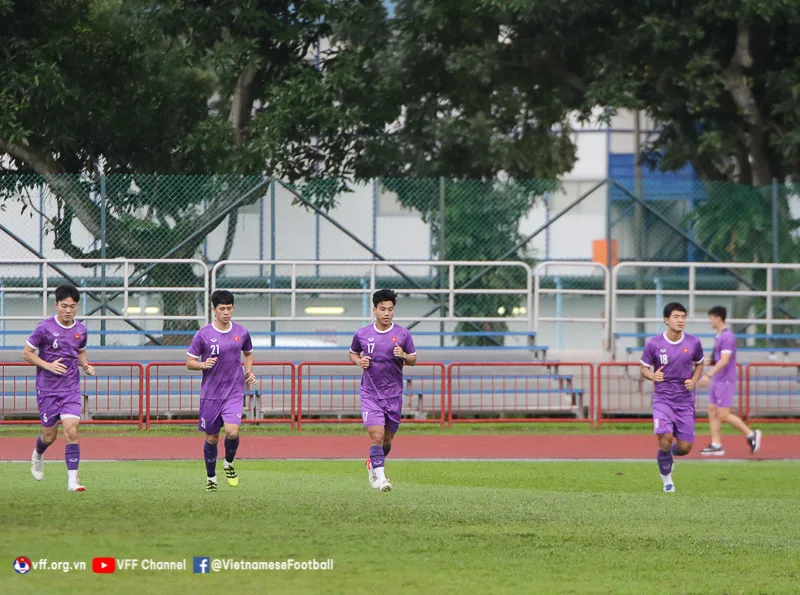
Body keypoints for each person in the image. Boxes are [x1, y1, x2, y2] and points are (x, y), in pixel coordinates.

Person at [23, 284, 95, 492]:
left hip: (71, 389)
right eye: (64, 305)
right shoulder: (44, 328)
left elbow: (80, 351)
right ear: (56, 305)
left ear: (76, 307)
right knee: (49, 436)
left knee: (71, 430)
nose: (68, 310)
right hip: (47, 390)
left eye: (72, 306)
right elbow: (27, 353)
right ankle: (38, 453)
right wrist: (48, 365)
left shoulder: (81, 330)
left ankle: (73, 480)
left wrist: (86, 365)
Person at [186, 290, 255, 492]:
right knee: (212, 438)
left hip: (234, 391)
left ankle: (229, 463)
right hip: (211, 394)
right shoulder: (204, 334)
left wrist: (248, 372)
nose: (226, 312)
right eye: (222, 309)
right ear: (214, 310)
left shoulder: (241, 332)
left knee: (232, 432)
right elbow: (189, 362)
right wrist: (202, 365)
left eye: (229, 308)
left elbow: (248, 353)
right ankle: (211, 478)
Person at [349, 289, 416, 492]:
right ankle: (381, 480)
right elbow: (353, 353)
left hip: (393, 395)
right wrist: (359, 361)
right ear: (375, 310)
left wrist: (403, 354)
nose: (387, 313)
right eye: (382, 309)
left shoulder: (403, 334)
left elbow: (413, 359)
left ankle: (373, 464)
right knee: (376, 436)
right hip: (370, 394)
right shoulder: (363, 334)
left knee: (387, 441)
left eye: (390, 309)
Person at [640, 302, 704, 493]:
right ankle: (667, 480)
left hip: (685, 401)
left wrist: (694, 379)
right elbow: (644, 368)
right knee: (665, 437)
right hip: (662, 399)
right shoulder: (654, 344)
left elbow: (699, 364)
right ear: (666, 320)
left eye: (683, 317)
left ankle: (668, 454)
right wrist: (652, 375)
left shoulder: (694, 342)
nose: (680, 320)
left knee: (685, 448)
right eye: (676, 317)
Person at [698, 306, 762, 456]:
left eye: (711, 318)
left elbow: (725, 360)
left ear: (717, 318)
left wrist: (708, 375)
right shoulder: (719, 337)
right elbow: (715, 360)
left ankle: (750, 434)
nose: (710, 322)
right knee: (712, 410)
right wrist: (697, 363)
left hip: (725, 380)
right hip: (717, 379)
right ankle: (716, 444)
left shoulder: (727, 337)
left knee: (723, 414)